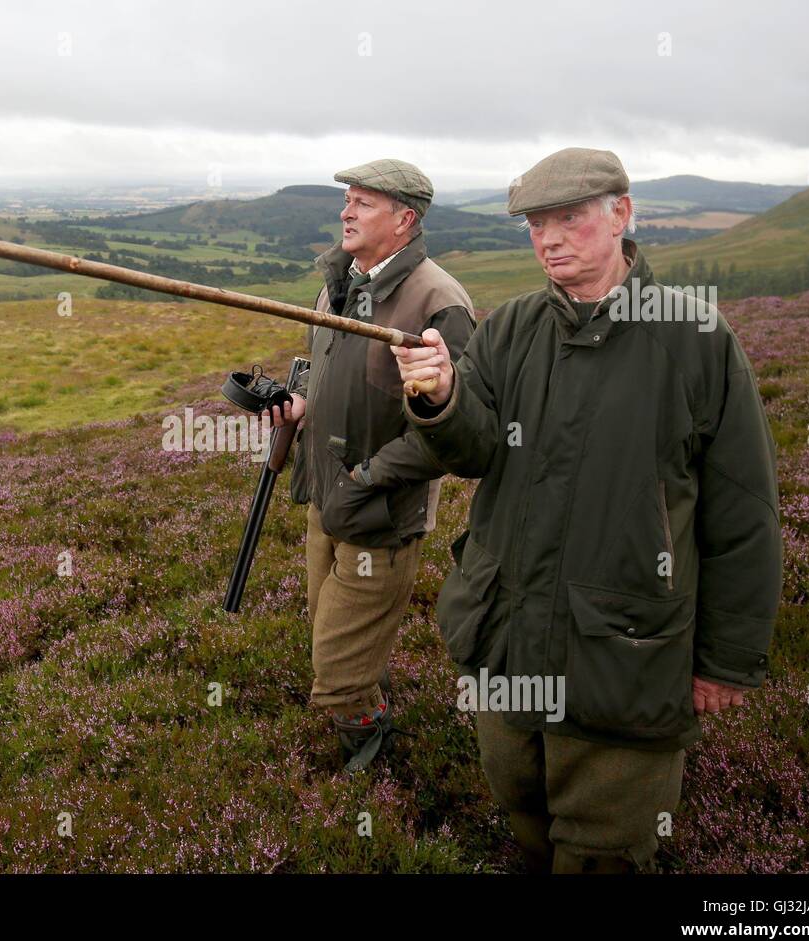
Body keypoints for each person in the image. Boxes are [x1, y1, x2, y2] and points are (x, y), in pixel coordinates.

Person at [390, 147, 782, 871]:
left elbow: (744, 515)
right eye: (537, 224)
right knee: (525, 822)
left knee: (604, 853)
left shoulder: (696, 341)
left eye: (569, 218)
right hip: (507, 649)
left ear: (622, 215)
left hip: (623, 667)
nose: (550, 239)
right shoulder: (509, 329)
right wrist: (439, 397)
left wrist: (727, 662)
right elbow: (472, 451)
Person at [269, 159, 475, 773]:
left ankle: (369, 739)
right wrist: (301, 406)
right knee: (326, 632)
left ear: (405, 219)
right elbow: (328, 372)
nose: (345, 212)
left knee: (335, 668)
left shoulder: (440, 303)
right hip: (326, 504)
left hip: (381, 515)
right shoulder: (337, 283)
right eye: (347, 200)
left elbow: (449, 430)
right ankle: (364, 697)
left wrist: (365, 480)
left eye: (362, 202)